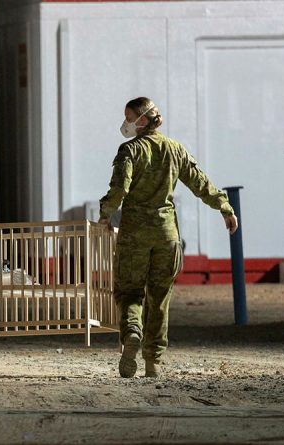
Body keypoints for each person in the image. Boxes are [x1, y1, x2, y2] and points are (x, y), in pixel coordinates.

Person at [99, 97, 238, 379]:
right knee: (160, 298)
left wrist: (105, 213)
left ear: (141, 120)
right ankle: (153, 362)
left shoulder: (129, 151)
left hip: (135, 235)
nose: (126, 122)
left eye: (129, 117)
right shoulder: (175, 150)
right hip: (167, 235)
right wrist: (225, 207)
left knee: (130, 292)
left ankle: (132, 333)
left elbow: (119, 189)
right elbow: (201, 184)